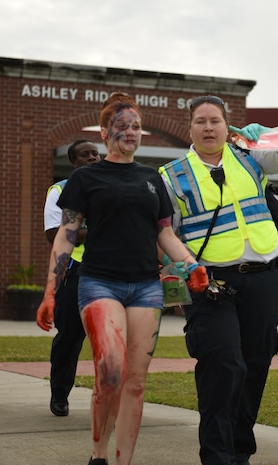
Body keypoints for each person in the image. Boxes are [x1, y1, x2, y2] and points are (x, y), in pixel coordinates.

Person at [35, 92, 208, 465]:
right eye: (122, 126)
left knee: (136, 381)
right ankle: (98, 454)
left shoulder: (151, 178)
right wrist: (50, 291)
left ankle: (122, 460)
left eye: (136, 127)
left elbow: (165, 234)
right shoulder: (85, 177)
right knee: (111, 369)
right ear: (104, 131)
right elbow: (65, 235)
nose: (131, 132)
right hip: (99, 283)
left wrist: (191, 264)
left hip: (146, 287)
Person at [158, 95, 278, 465]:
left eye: (216, 121)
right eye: (201, 121)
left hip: (264, 279)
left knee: (256, 363)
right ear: (189, 128)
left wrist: (268, 134)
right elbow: (163, 237)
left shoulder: (251, 159)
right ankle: (218, 456)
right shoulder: (171, 175)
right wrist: (177, 287)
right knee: (223, 365)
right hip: (209, 283)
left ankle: (240, 450)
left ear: (228, 127)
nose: (208, 127)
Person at [43, 139, 100, 416]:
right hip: (74, 272)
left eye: (95, 153)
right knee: (70, 337)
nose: (92, 157)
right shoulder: (60, 191)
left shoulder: (110, 188)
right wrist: (102, 229)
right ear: (73, 162)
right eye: (84, 154)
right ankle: (59, 394)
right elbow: (56, 235)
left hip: (110, 270)